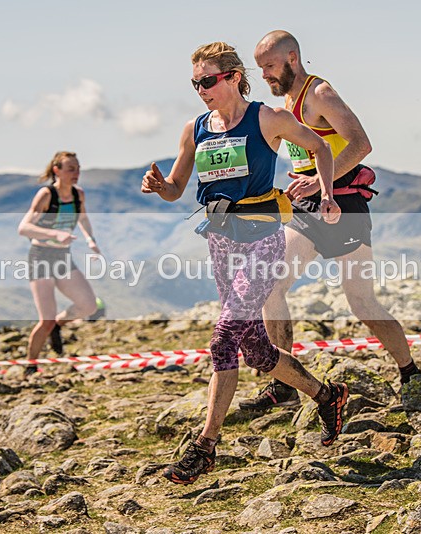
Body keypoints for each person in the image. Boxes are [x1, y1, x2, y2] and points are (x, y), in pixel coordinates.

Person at [142, 42, 348, 485]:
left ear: (234, 77)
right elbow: (177, 188)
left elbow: (323, 149)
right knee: (254, 348)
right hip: (221, 242)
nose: (201, 90)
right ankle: (326, 395)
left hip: (263, 241)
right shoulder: (195, 128)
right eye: (195, 83)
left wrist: (326, 191)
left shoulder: (267, 118)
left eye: (208, 81)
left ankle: (204, 447)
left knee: (222, 340)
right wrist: (159, 185)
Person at [241, 30, 421, 412]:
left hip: (345, 205)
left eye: (269, 67)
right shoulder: (285, 102)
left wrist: (321, 181)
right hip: (308, 208)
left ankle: (411, 373)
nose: (265, 76)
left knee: (361, 302)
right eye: (260, 70)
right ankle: (284, 382)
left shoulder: (319, 93)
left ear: (292, 58)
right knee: (270, 285)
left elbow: (360, 144)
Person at [17, 151, 100, 366]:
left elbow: (83, 218)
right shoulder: (46, 195)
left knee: (89, 305)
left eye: (78, 168)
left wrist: (91, 240)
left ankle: (58, 324)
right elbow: (24, 228)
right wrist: (54, 234)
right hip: (41, 258)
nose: (76, 173)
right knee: (45, 320)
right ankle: (30, 365)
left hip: (62, 257)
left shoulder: (78, 195)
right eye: (71, 169)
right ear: (57, 171)